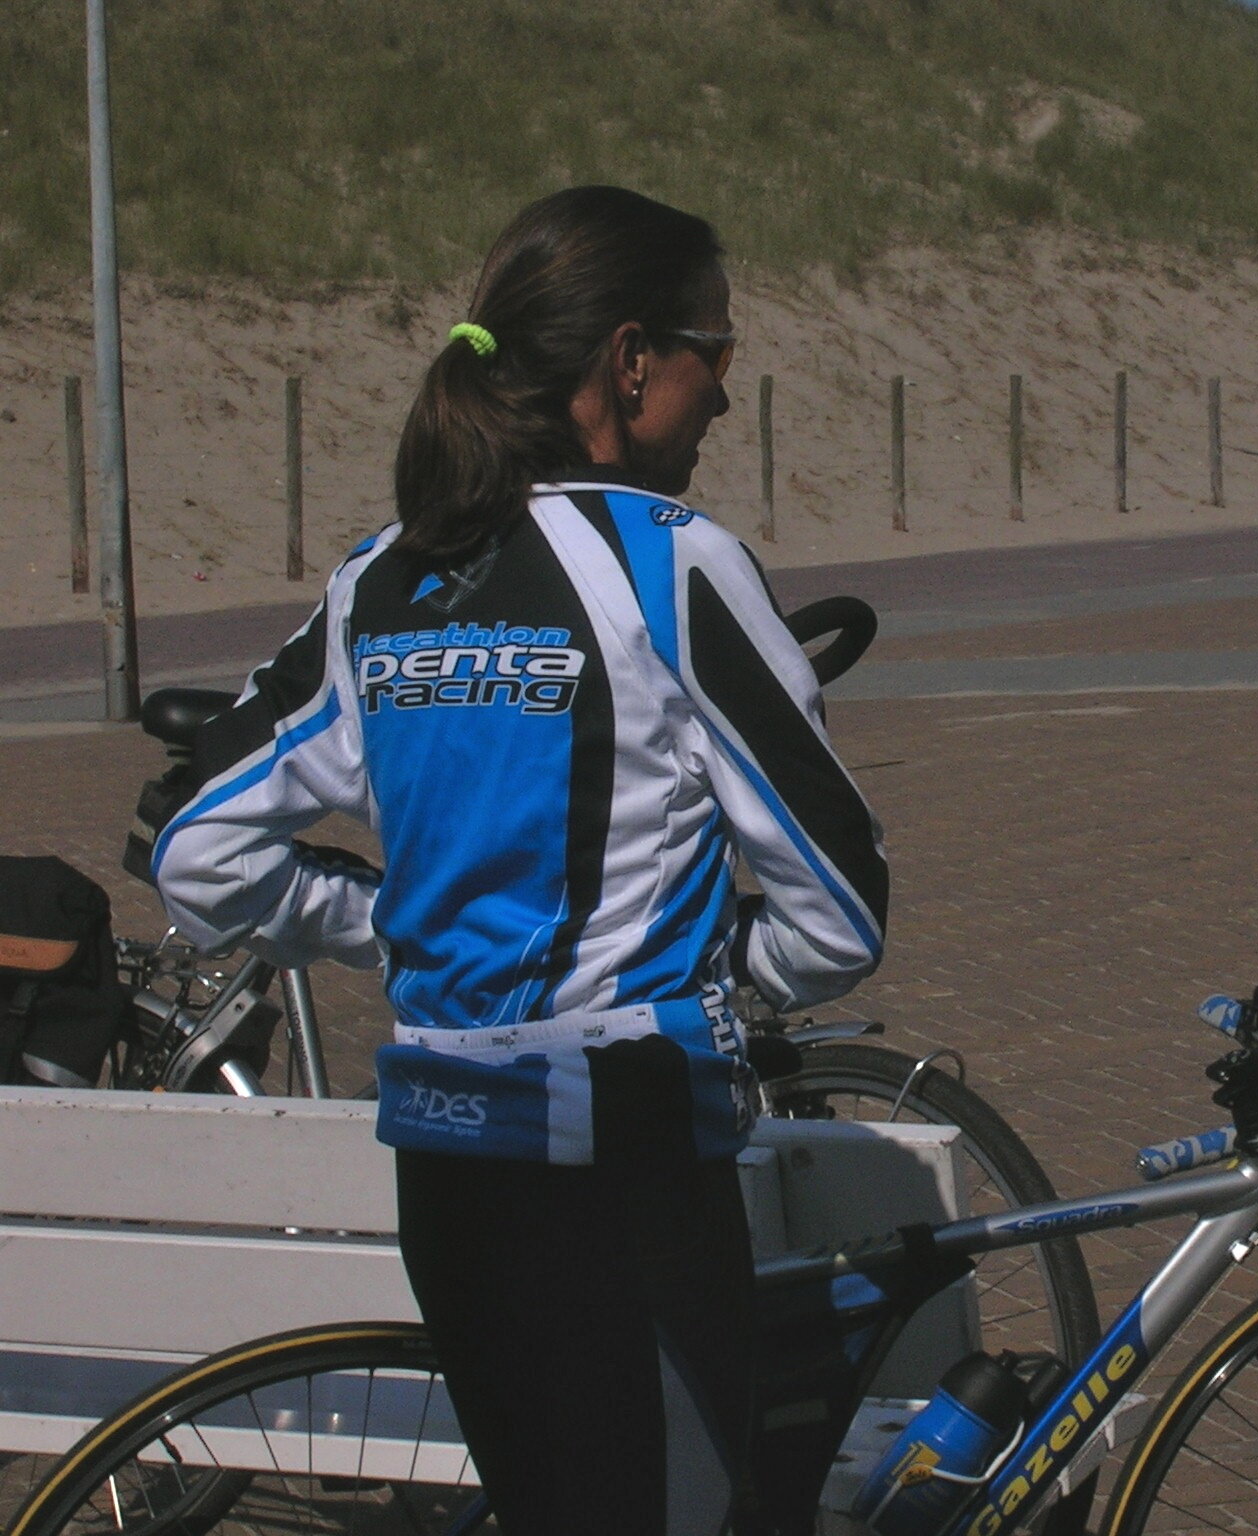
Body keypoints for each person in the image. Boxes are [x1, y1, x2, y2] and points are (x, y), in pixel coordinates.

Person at [151, 185, 888, 1534]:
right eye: (714, 351)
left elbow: (200, 857)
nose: (725, 394)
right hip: (626, 1162)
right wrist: (721, 982)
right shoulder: (672, 561)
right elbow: (839, 913)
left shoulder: (382, 576)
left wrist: (383, 925)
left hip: (445, 1165)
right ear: (629, 361)